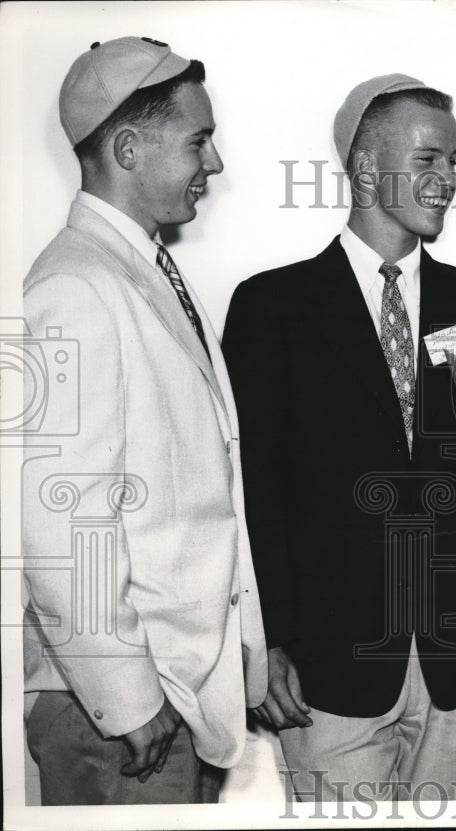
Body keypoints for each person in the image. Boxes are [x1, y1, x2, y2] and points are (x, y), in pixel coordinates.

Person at [222, 74, 456, 802]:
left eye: (454, 161)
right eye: (429, 160)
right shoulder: (272, 306)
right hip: (326, 673)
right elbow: (251, 490)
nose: (449, 180)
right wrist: (261, 639)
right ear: (366, 167)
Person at [21, 37, 267, 805]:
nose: (215, 163)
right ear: (128, 148)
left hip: (171, 706)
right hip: (126, 718)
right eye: (199, 139)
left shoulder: (134, 271)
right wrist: (129, 700)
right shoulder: (74, 285)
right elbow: (58, 517)